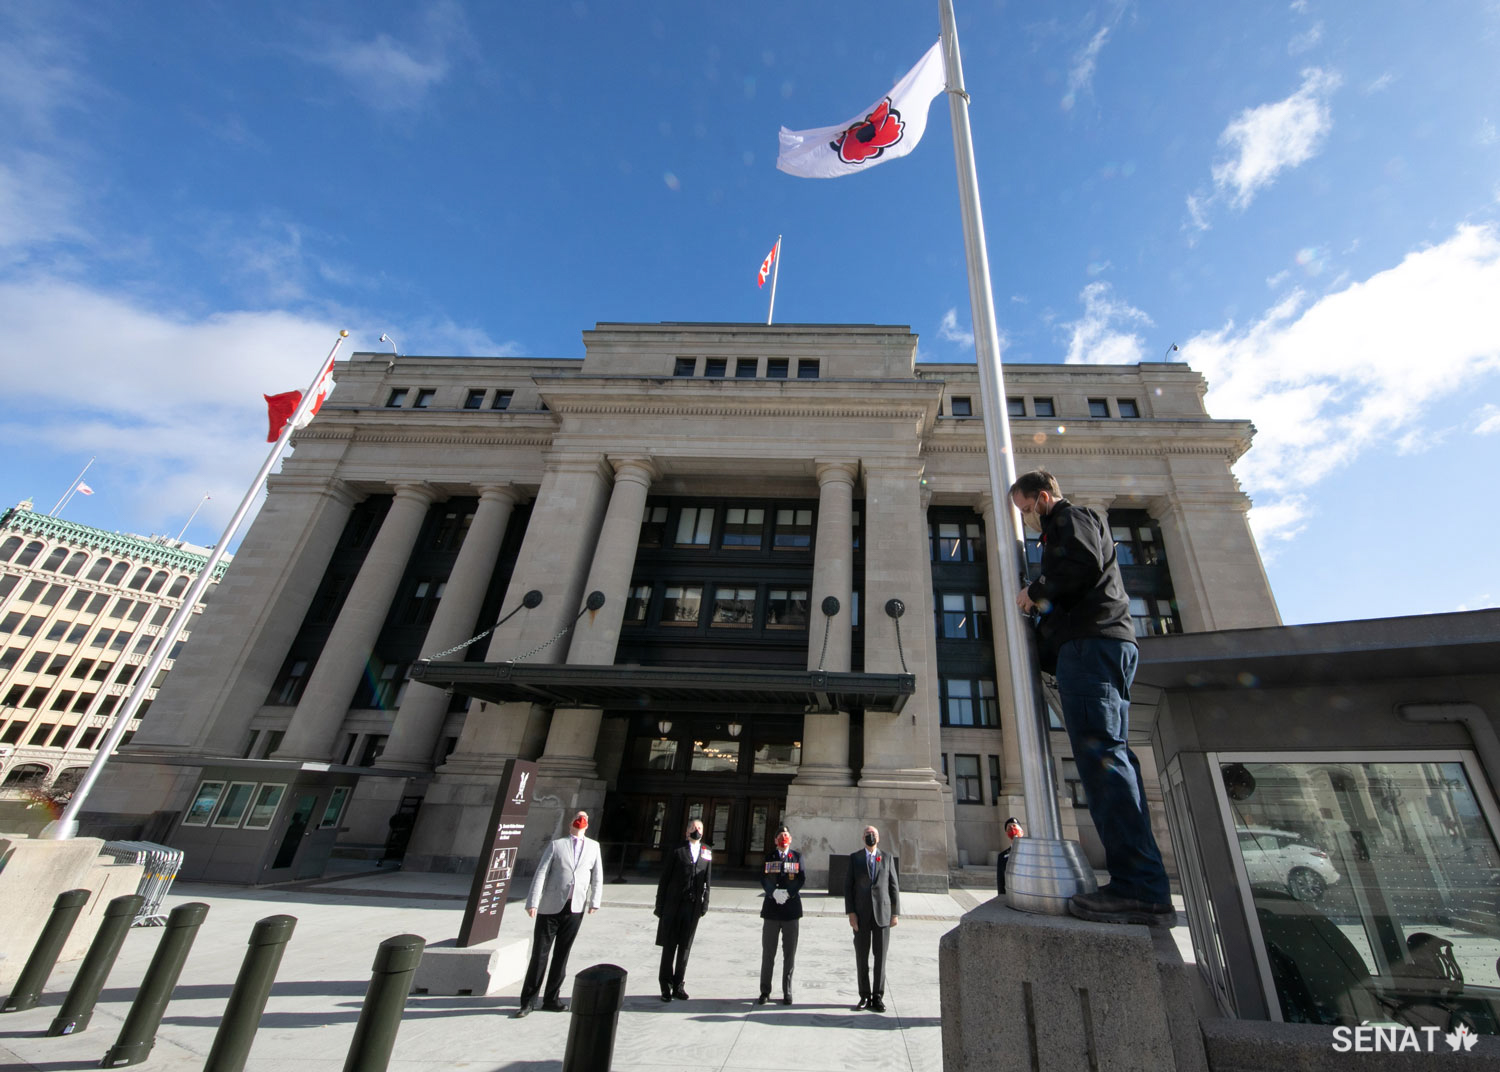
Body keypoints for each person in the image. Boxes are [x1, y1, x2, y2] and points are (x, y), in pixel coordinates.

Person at [1009, 469, 1175, 927]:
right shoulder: (1070, 525)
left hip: (1091, 646)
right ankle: (1144, 886)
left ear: (1043, 498)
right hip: (1100, 646)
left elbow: (1077, 565)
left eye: (1026, 510)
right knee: (1113, 760)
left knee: (1103, 761)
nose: (1026, 521)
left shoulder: (1071, 518)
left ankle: (1138, 887)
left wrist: (1034, 592)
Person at [515, 810, 604, 1017]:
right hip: (550, 907)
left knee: (562, 955)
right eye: (578, 817)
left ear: (588, 824)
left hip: (575, 908)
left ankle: (551, 998)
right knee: (540, 954)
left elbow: (597, 876)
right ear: (570, 822)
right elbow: (541, 873)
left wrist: (595, 901)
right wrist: (533, 902)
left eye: (584, 818)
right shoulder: (557, 844)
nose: (581, 820)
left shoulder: (593, 847)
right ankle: (528, 1001)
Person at [654, 817, 712, 1001]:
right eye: (694, 828)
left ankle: (679, 984)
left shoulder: (707, 852)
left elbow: (708, 882)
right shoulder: (677, 850)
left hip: (692, 905)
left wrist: (705, 903)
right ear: (687, 831)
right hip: (674, 904)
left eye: (700, 828)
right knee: (670, 945)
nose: (697, 830)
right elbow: (665, 879)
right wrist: (660, 905)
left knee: (685, 947)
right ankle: (665, 984)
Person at [843, 824, 899, 1013]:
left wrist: (895, 912)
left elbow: (893, 887)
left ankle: (878, 996)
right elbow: (848, 888)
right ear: (862, 838)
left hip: (882, 916)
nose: (870, 837)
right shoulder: (855, 858)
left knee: (880, 958)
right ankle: (864, 996)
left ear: (879, 838)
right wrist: (851, 913)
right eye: (867, 834)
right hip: (861, 915)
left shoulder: (887, 858)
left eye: (873, 834)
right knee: (862, 957)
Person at [758, 823, 805, 1006]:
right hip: (771, 910)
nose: (783, 839)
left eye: (786, 835)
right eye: (780, 836)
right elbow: (763, 877)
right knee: (768, 952)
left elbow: (801, 878)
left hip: (791, 911)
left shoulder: (797, 857)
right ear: (775, 840)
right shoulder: (769, 857)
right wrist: (773, 893)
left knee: (789, 954)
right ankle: (765, 990)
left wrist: (788, 893)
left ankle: (787, 991)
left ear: (790, 839)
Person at [996, 816, 1024, 895]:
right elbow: (1001, 881)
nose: (1012, 828)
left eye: (1014, 826)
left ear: (1022, 831)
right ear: (1007, 834)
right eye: (1009, 828)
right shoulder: (1002, 856)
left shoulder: (1030, 851)